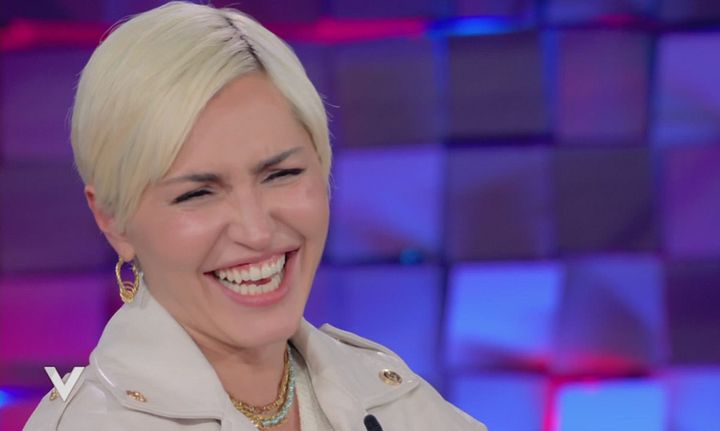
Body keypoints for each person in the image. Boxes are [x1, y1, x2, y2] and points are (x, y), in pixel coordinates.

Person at [23, 2, 486, 430]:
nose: (257, 231)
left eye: (281, 174)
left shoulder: (397, 403)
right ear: (112, 220)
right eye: (198, 193)